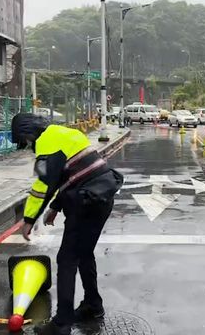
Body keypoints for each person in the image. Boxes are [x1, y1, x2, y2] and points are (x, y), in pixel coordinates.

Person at [11, 113, 123, 335]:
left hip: (85, 203)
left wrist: (28, 220)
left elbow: (44, 185)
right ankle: (93, 305)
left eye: (25, 142)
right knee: (84, 253)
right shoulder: (66, 134)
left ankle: (61, 324)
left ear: (28, 134)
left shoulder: (46, 143)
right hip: (101, 198)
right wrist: (55, 207)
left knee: (67, 259)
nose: (28, 147)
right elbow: (72, 174)